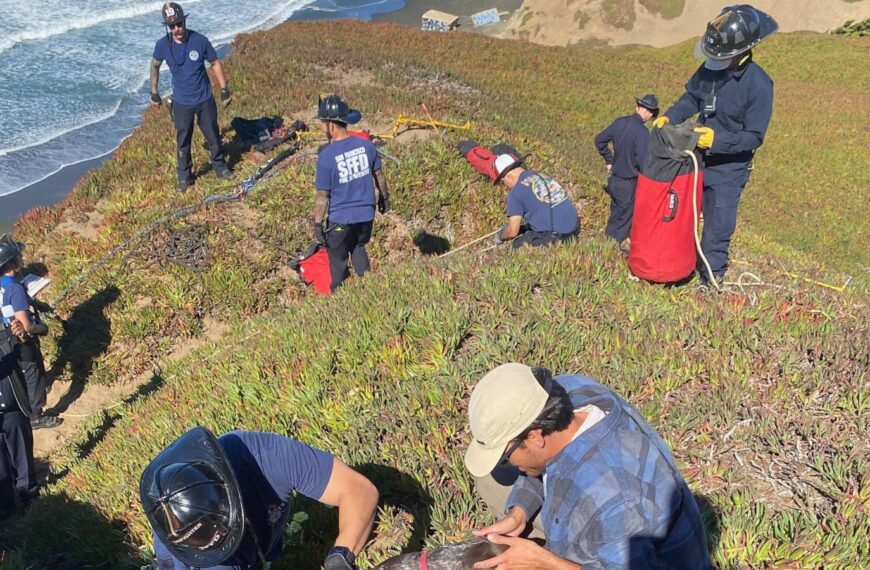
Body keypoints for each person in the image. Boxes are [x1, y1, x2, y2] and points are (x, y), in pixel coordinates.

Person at [465, 363, 711, 569]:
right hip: (601, 516)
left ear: (535, 436)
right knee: (493, 478)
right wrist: (519, 511)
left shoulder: (617, 499)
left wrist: (547, 563)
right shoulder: (566, 391)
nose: (506, 462)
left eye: (505, 456)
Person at [654, 4, 778, 285]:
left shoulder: (759, 84)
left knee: (717, 228)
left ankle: (711, 281)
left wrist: (717, 140)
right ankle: (675, 268)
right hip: (695, 159)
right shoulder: (711, 67)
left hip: (728, 171)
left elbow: (755, 136)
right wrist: (670, 117)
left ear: (741, 52)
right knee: (681, 215)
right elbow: (691, 98)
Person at [140, 426, 379, 569]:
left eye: (224, 532)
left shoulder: (262, 455)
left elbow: (358, 490)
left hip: (265, 544)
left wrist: (340, 558)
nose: (224, 538)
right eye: (216, 542)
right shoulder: (182, 551)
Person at [150, 2, 234, 193]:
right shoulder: (162, 45)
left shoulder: (200, 40)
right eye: (172, 26)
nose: (177, 29)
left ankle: (220, 167)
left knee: (213, 135)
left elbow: (214, 62)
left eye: (179, 24)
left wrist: (224, 89)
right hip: (181, 103)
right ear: (168, 27)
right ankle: (185, 177)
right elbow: (154, 65)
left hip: (204, 99)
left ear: (184, 21)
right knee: (183, 141)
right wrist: (154, 93)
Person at [312, 94, 390, 291]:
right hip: (366, 214)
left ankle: (338, 294)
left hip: (341, 218)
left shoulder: (326, 156)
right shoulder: (366, 146)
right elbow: (379, 175)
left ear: (331, 125)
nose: (322, 127)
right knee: (358, 246)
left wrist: (318, 224)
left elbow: (323, 196)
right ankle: (370, 287)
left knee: (337, 258)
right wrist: (384, 198)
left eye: (323, 123)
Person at [0, 235, 59, 430]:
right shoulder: (16, 289)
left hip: (8, 339)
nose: (21, 257)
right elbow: (26, 326)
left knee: (24, 375)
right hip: (23, 339)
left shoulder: (4, 286)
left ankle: (30, 412)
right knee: (34, 374)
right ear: (12, 261)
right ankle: (36, 415)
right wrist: (42, 328)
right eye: (18, 255)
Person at [594, 95, 659, 249]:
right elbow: (643, 162)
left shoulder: (620, 122)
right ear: (650, 114)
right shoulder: (642, 133)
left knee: (615, 214)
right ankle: (608, 250)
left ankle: (605, 245)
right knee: (623, 220)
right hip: (629, 183)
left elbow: (599, 140)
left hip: (614, 180)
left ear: (638, 107)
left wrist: (609, 160)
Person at [493, 155, 579, 248]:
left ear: (508, 177)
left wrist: (501, 236)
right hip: (575, 227)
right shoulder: (540, 175)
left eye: (502, 181)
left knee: (517, 245)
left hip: (560, 236)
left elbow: (512, 231)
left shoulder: (515, 194)